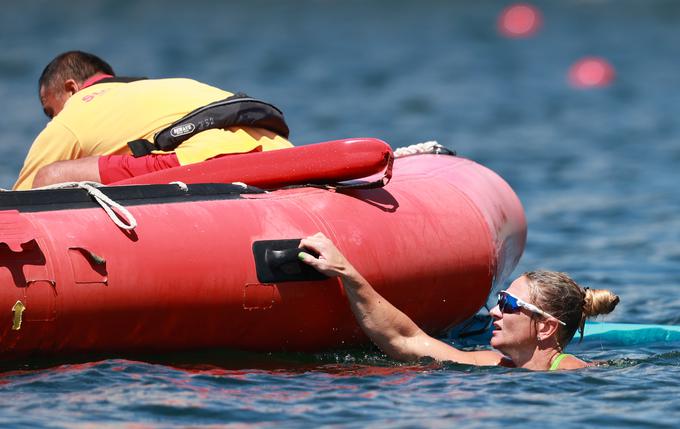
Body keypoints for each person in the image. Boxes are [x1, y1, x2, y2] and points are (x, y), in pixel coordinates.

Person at [298, 232, 620, 371]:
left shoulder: (571, 374)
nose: (494, 310)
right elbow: (407, 340)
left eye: (508, 305)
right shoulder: (496, 365)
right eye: (500, 299)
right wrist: (347, 272)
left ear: (547, 328)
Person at [14, 51, 292, 190]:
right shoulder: (160, 87)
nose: (52, 120)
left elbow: (17, 204)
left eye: (51, 111)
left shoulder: (75, 112)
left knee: (51, 176)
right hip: (278, 150)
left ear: (71, 88)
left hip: (208, 157)